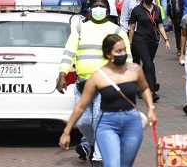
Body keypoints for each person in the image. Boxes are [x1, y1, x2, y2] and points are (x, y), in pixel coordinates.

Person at [59, 34, 156, 167]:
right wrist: (66, 131)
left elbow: (145, 89)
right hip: (108, 123)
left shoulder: (135, 70)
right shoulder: (98, 76)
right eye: (118, 51)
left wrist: (151, 108)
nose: (123, 54)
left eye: (124, 50)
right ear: (108, 54)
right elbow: (81, 106)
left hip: (132, 122)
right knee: (113, 164)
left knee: (125, 164)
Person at [56, 0, 132, 165]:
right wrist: (63, 73)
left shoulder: (115, 30)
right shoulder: (81, 28)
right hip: (83, 82)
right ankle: (91, 143)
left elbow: (127, 57)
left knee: (99, 120)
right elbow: (69, 52)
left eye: (102, 6)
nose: (98, 9)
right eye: (96, 6)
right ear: (90, 9)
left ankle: (98, 157)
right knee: (83, 121)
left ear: (107, 10)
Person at [129, 0, 171, 102]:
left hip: (153, 41)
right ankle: (151, 92)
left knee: (148, 64)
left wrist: (166, 39)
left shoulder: (157, 9)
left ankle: (141, 88)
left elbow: (160, 26)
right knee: (148, 64)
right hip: (140, 40)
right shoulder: (137, 10)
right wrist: (130, 43)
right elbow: (132, 28)